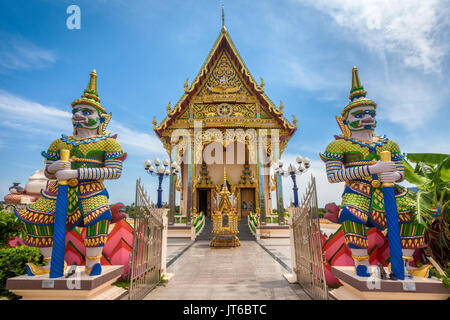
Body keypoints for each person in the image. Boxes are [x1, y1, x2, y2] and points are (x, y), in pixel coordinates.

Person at [15, 70, 126, 276]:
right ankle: (51, 263)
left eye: (86, 112)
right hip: (57, 190)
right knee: (34, 218)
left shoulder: (109, 143)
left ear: (101, 119)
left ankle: (93, 262)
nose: (77, 115)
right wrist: (53, 168)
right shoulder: (59, 143)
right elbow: (48, 170)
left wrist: (76, 174)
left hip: (91, 190)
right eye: (76, 111)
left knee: (99, 217)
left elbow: (114, 171)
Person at [320, 67, 426, 277]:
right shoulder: (339, 146)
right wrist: (371, 169)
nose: (367, 117)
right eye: (359, 114)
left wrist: (395, 176)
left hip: (390, 191)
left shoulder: (389, 144)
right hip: (359, 192)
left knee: (416, 213)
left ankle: (404, 263)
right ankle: (361, 262)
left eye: (370, 113)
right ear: (346, 121)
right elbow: (333, 176)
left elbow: (401, 171)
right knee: (350, 214)